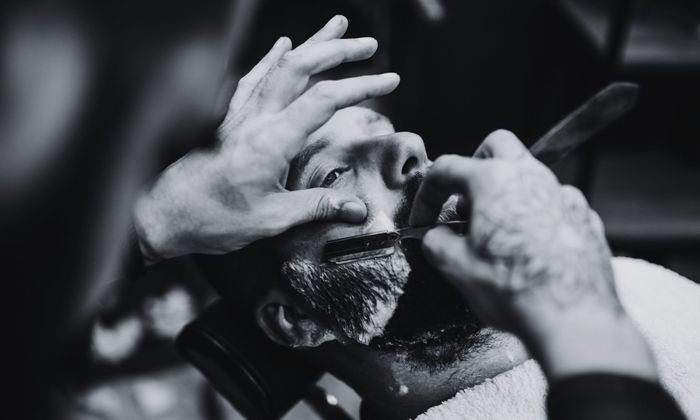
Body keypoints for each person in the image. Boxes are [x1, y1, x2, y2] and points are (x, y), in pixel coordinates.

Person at [201, 105, 698, 419]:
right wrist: (580, 312)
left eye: (387, 129)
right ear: (299, 318)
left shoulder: (632, 287)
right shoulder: (585, 308)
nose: (409, 145)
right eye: (331, 174)